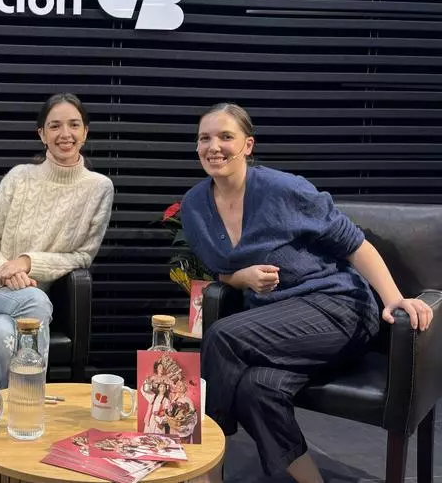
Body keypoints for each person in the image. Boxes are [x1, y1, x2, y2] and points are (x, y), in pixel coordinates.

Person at [180, 103, 435, 482]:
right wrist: (243, 278)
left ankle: (206, 472)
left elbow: (355, 244)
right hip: (277, 321)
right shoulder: (195, 206)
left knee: (222, 337)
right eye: (205, 138)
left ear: (248, 145)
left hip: (338, 306)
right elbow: (222, 270)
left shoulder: (285, 190)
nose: (213, 146)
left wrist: (393, 297)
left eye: (225, 136)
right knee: (255, 390)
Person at [0, 93, 114, 482]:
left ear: (86, 132)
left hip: (27, 299)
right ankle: (31, 420)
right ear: (42, 134)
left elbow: (83, 254)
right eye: (55, 126)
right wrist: (5, 270)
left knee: (2, 335)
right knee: (35, 302)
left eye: (73, 125)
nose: (65, 133)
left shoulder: (99, 188)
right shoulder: (19, 177)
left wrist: (28, 262)